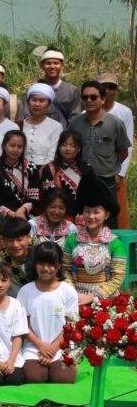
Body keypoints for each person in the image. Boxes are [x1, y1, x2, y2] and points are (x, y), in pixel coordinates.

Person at [68, 80, 130, 228]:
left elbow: (123, 151)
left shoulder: (115, 124)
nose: (89, 100)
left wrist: (114, 170)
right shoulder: (75, 123)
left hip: (106, 180)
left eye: (93, 97)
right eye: (85, 97)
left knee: (108, 221)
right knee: (81, 221)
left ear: (102, 99)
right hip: (80, 180)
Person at [18, 241, 78, 384]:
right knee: (33, 377)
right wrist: (41, 345)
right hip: (34, 347)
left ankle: (64, 366)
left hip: (61, 346)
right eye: (41, 264)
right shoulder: (25, 291)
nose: (46, 269)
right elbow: (22, 324)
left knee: (64, 378)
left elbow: (71, 324)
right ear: (34, 264)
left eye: (51, 264)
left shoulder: (68, 291)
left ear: (59, 265)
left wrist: (53, 348)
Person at [62, 174, 126, 304]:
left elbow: (118, 276)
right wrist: (73, 294)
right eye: (87, 211)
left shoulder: (114, 243)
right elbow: (65, 269)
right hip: (76, 298)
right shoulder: (72, 240)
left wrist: (93, 297)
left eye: (96, 212)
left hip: (105, 300)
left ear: (106, 214)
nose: (91, 216)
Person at [98, 72, 132, 228]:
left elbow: (127, 145)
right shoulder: (87, 112)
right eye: (104, 87)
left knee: (118, 212)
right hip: (95, 171)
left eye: (111, 87)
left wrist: (120, 173)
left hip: (115, 171)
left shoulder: (124, 112)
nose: (107, 90)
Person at [39, 130, 93, 221]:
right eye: (64, 145)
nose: (67, 148)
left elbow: (90, 196)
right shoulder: (49, 168)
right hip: (56, 214)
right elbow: (49, 196)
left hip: (81, 216)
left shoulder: (87, 169)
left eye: (72, 145)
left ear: (79, 149)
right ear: (59, 147)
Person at [0, 130, 41, 219]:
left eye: (20, 147)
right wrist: (11, 213)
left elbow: (33, 198)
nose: (15, 150)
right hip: (1, 215)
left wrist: (22, 211)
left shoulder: (31, 167)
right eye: (12, 145)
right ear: (4, 145)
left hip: (25, 214)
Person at [30, 47, 81, 124]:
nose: (52, 67)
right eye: (48, 63)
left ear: (62, 65)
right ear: (42, 66)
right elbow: (27, 115)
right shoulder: (34, 89)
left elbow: (75, 119)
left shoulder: (72, 91)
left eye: (56, 63)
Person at [22, 83, 63, 166]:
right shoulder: (19, 125)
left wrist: (43, 170)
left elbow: (52, 155)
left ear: (48, 104)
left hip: (45, 170)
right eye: (34, 100)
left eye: (41, 101)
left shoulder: (56, 127)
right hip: (20, 170)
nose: (37, 104)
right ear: (28, 102)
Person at [0, 216, 34, 296]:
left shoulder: (39, 256)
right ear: (4, 241)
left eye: (19, 239)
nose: (15, 245)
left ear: (29, 238)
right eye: (10, 240)